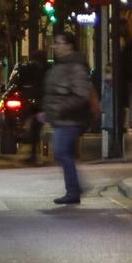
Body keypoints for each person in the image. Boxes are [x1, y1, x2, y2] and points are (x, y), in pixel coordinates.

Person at [41, 31, 98, 206]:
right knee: (63, 153)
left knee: (61, 151)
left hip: (71, 119)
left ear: (69, 45)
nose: (56, 46)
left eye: (59, 43)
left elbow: (81, 94)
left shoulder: (75, 66)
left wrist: (59, 107)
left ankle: (74, 189)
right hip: (61, 119)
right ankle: (74, 189)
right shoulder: (59, 66)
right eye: (55, 43)